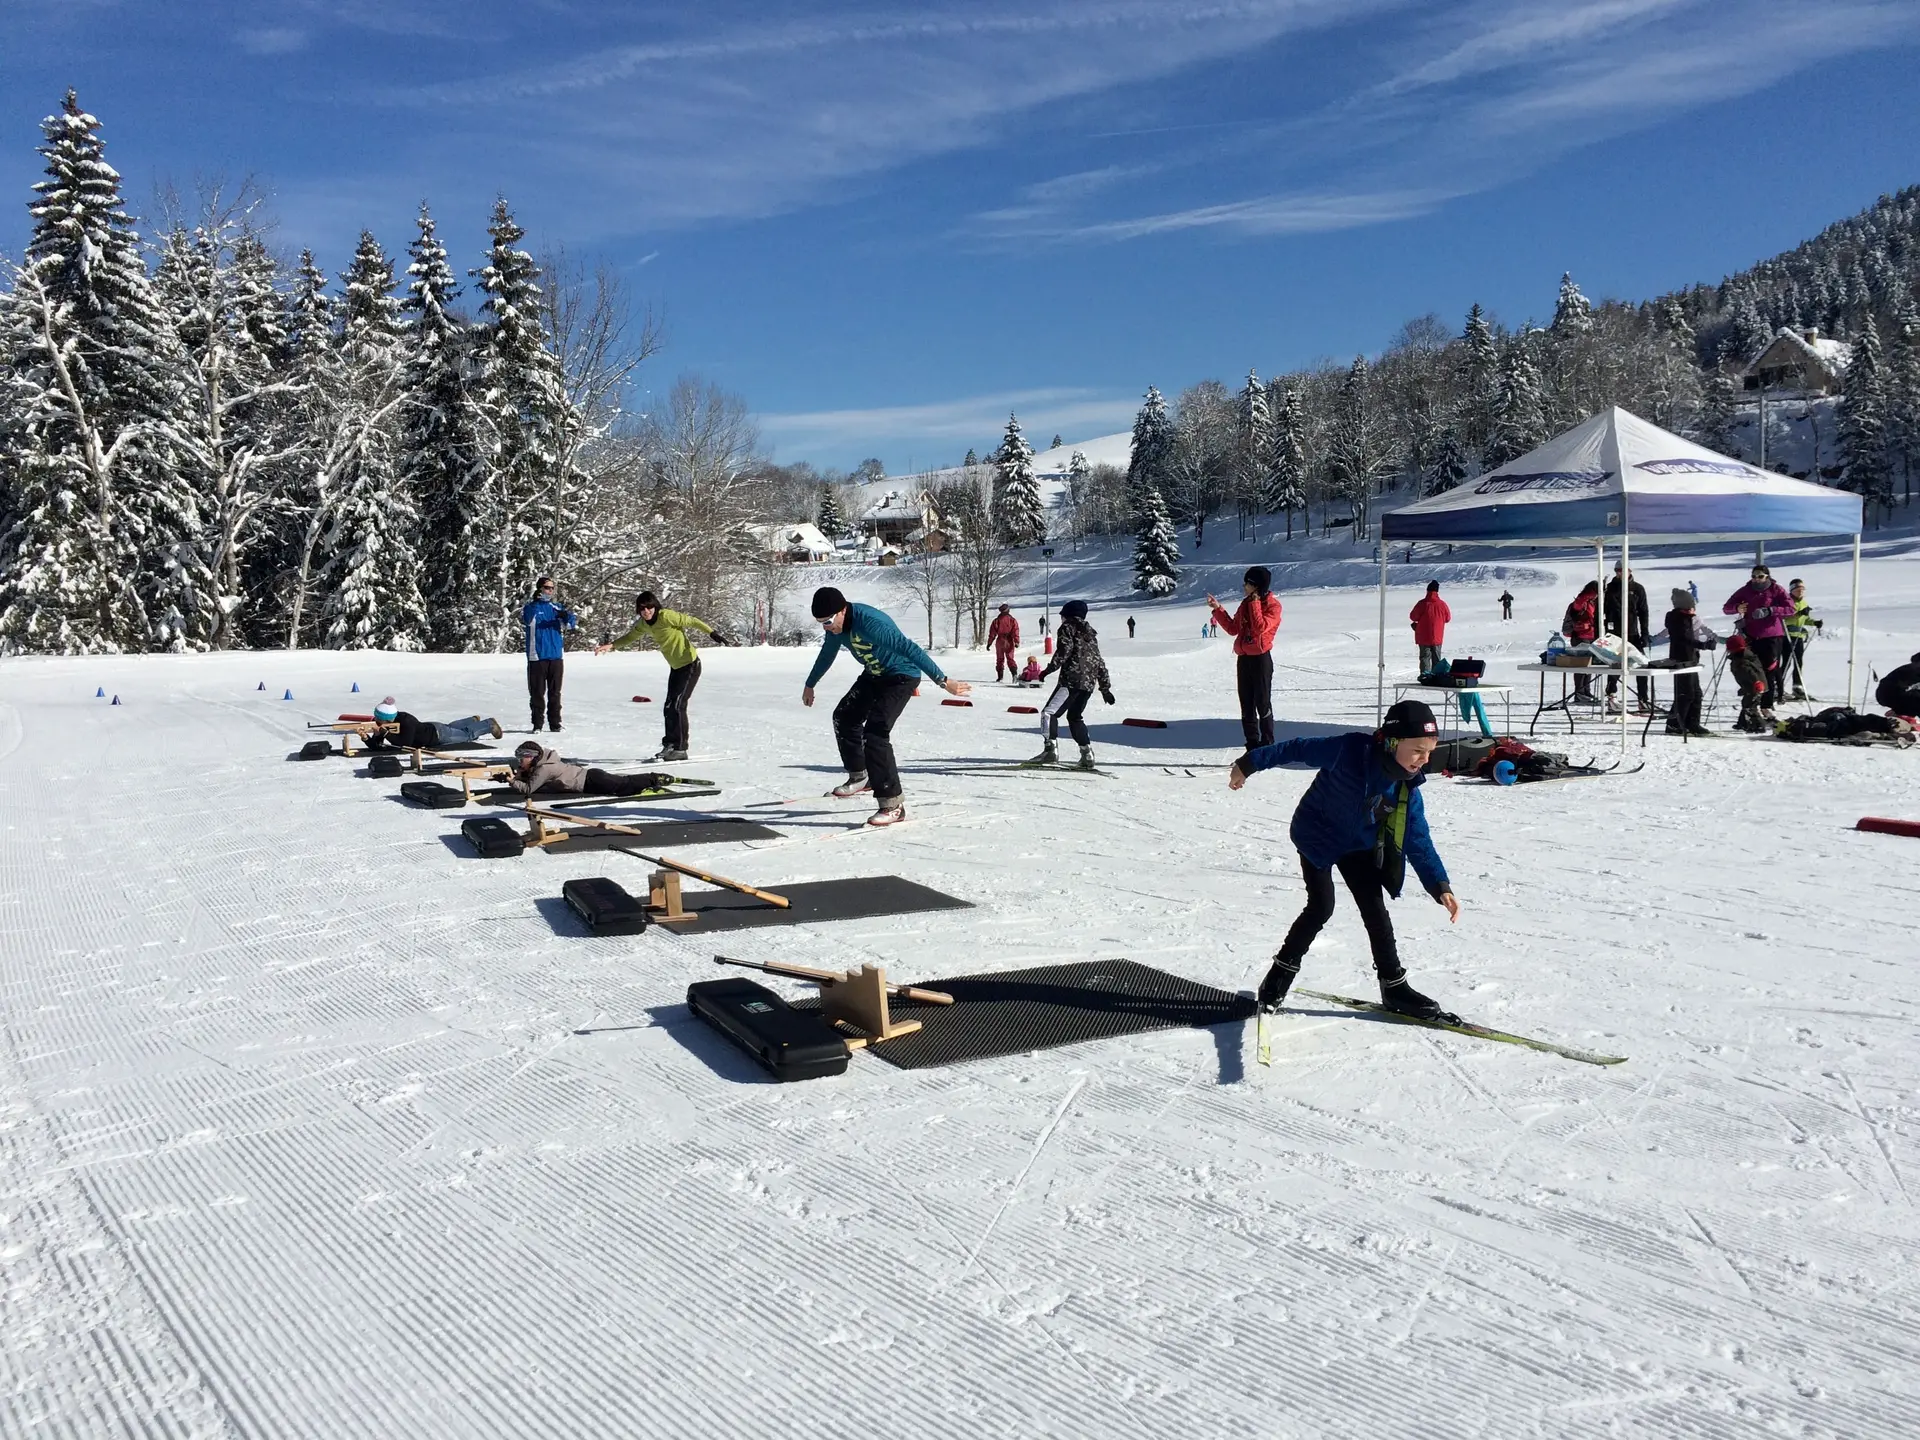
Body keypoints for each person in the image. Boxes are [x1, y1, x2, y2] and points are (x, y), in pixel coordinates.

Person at [1229, 699, 1459, 1022]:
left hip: (1357, 844)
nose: (1424, 760)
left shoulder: (1406, 787)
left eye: (1429, 753)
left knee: (1374, 908)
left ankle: (1394, 985)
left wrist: (1440, 884)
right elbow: (1296, 749)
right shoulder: (1351, 750)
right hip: (1317, 837)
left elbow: (1417, 839)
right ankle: (1276, 982)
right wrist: (1249, 764)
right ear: (1393, 741)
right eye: (1418, 750)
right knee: (1322, 906)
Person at [803, 586, 971, 826]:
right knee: (844, 717)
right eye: (821, 623)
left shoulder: (870, 624)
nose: (826, 627)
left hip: (901, 676)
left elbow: (910, 649)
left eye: (828, 621)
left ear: (842, 611)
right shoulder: (835, 629)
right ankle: (860, 776)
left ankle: (893, 804)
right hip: (874, 674)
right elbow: (827, 654)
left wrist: (943, 681)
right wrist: (810, 684)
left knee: (875, 732)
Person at [596, 591, 721, 762]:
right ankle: (670, 744)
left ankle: (680, 748)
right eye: (642, 608)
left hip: (690, 664)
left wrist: (712, 633)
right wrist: (611, 645)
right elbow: (631, 637)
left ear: (655, 606)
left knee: (677, 705)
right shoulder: (644, 624)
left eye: (649, 607)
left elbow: (692, 621)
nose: (646, 611)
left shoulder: (667, 616)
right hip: (676, 667)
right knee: (669, 706)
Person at [1031, 600, 1114, 770]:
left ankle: (1050, 751)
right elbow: (1099, 662)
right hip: (1088, 684)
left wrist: (1047, 671)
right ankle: (1087, 754)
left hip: (1071, 681)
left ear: (1068, 615)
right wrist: (1105, 688)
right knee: (1074, 717)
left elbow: (1064, 652)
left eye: (1062, 615)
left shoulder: (1067, 628)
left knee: (1049, 713)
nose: (1061, 618)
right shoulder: (1090, 635)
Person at [1208, 565, 1284, 749]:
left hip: (1261, 659)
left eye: (1247, 583)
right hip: (1244, 659)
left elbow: (1259, 628)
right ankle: (1252, 745)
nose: (1243, 586)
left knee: (1262, 703)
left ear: (1256, 586)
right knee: (1246, 704)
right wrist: (1218, 609)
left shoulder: (1273, 606)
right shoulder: (1245, 603)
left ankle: (1267, 745)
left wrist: (1255, 603)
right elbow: (1233, 628)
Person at [1723, 564, 1793, 716]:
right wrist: (1737, 608)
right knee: (1752, 671)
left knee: (1770, 670)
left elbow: (1791, 609)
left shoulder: (1776, 590)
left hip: (1772, 636)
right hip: (1751, 636)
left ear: (1767, 576)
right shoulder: (1746, 590)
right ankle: (1752, 705)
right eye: (1754, 576)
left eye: (1760, 576)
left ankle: (1766, 705)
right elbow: (1726, 607)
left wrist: (1771, 610)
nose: (1756, 579)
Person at [506, 741, 675, 797]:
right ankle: (649, 783)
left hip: (590, 781)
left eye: (523, 758)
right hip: (590, 777)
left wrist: (512, 781)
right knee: (622, 783)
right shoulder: (544, 761)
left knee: (623, 786)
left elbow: (529, 789)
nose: (520, 762)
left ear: (533, 756)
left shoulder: (544, 769)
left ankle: (654, 779)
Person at [521, 576, 577, 732]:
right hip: (537, 656)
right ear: (539, 589)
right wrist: (536, 602)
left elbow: (571, 625)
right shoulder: (531, 607)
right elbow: (527, 619)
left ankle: (555, 724)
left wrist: (567, 615)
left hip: (556, 656)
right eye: (546, 588)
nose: (549, 591)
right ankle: (537, 724)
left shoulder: (556, 608)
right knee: (537, 692)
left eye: (552, 588)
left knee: (555, 693)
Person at [1661, 589, 1718, 737]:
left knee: (1696, 693)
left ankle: (1692, 723)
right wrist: (1703, 645)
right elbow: (1684, 639)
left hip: (1691, 658)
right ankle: (1674, 724)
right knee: (1686, 693)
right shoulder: (1677, 618)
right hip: (1681, 659)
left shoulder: (1686, 617)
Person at [358, 698, 503, 750]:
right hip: (434, 728)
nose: (377, 721)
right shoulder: (387, 724)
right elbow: (378, 746)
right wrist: (367, 738)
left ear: (387, 718)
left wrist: (383, 733)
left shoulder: (406, 721)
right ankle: (471, 720)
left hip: (438, 735)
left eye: (379, 719)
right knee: (452, 727)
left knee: (467, 735)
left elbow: (405, 744)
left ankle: (488, 724)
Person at [1604, 562, 1652, 713]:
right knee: (1615, 666)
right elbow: (1603, 608)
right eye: (1617, 571)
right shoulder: (1610, 588)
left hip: (1632, 633)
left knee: (1641, 666)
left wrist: (1645, 633)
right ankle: (1612, 697)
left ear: (1630, 571)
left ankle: (1643, 699)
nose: (1620, 573)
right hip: (1614, 633)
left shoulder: (1637, 589)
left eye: (1623, 570)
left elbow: (1643, 612)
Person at [1783, 579, 1822, 701]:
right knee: (1786, 661)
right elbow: (1784, 617)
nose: (1800, 592)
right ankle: (1777, 685)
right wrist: (1799, 614)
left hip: (1798, 635)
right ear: (1792, 590)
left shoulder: (1803, 603)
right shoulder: (1787, 602)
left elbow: (1805, 619)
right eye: (1798, 590)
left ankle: (1797, 686)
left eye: (1802, 590)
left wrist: (1814, 622)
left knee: (1798, 661)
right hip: (1787, 635)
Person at [1562, 581, 1600, 702]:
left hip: (1592, 636)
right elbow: (1577, 607)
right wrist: (1589, 595)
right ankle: (1579, 692)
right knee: (1581, 665)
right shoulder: (1582, 601)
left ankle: (1586, 691)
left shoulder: (1595, 602)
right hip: (1580, 637)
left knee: (1589, 666)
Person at [1726, 635, 1772, 733]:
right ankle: (1742, 723)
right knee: (1746, 704)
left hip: (1756, 686)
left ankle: (1759, 725)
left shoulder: (1742, 660)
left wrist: (1757, 683)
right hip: (1750, 686)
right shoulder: (1743, 656)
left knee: (1750, 707)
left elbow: (1752, 673)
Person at [1409, 580, 1450, 676]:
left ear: (1427, 591)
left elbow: (1413, 617)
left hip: (1423, 636)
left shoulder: (1422, 603)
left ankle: (1425, 676)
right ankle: (1437, 677)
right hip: (1437, 636)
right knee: (1436, 658)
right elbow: (1448, 618)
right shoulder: (1442, 604)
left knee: (1425, 657)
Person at [1876, 652, 1920, 717]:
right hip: (1888, 695)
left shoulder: (1912, 669)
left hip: (1894, 695)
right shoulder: (1909, 671)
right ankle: (1899, 712)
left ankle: (1901, 713)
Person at [987, 604, 1021, 682]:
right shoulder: (1012, 620)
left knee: (999, 659)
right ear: (1007, 610)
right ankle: (1014, 674)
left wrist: (989, 643)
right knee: (1010, 659)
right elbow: (1015, 631)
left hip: (1000, 641)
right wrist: (1016, 642)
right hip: (1009, 640)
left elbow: (992, 633)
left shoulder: (996, 620)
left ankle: (1000, 677)